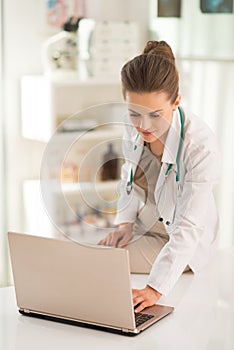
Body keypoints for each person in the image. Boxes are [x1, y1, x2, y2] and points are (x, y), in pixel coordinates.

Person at [98, 40, 219, 313]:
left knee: (99, 265)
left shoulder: (200, 145)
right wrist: (124, 224)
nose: (143, 126)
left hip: (182, 243)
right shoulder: (135, 128)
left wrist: (154, 289)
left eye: (155, 115)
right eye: (134, 114)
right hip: (147, 229)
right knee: (94, 255)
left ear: (176, 101)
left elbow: (189, 227)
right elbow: (129, 180)